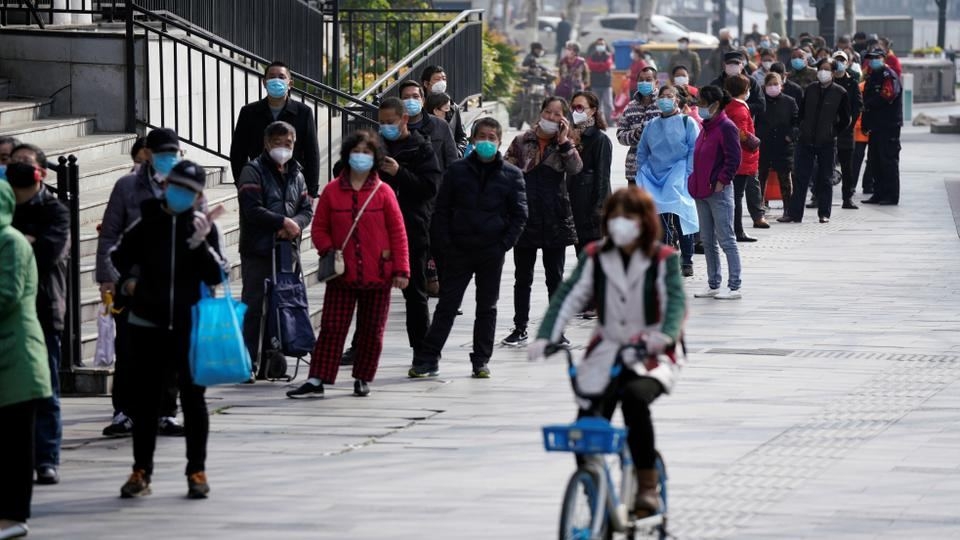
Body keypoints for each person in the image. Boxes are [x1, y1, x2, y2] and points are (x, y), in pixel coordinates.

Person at [528, 186, 687, 518]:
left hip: (653, 351)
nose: (619, 224)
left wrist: (665, 336)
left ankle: (646, 485)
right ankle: (593, 490)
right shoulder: (595, 255)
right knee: (584, 428)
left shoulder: (663, 259)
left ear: (643, 222)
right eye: (614, 217)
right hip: (608, 348)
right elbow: (568, 295)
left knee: (633, 399)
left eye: (627, 218)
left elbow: (674, 306)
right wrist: (546, 336)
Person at [110, 160, 228, 499]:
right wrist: (131, 282)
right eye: (177, 187)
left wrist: (201, 244)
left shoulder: (202, 226)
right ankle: (141, 471)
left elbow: (218, 275)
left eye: (190, 192)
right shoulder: (148, 221)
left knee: (194, 400)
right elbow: (119, 255)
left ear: (198, 195)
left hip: (191, 327)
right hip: (148, 323)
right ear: (166, 186)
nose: (181, 195)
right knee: (145, 402)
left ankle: (197, 470)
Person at [287, 131, 409, 398]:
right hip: (341, 274)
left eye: (367, 152)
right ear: (347, 155)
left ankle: (363, 377)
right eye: (356, 152)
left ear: (375, 157)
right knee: (332, 327)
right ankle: (317, 379)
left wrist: (401, 270)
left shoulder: (384, 192)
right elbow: (319, 228)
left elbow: (398, 232)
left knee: (372, 331)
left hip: (378, 274)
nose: (361, 157)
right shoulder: (332, 191)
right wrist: (329, 250)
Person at [408, 118, 528, 378]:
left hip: (491, 251)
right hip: (459, 249)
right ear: (473, 140)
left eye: (492, 137)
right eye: (481, 136)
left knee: (487, 307)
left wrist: (503, 245)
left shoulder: (511, 175)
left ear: (499, 141)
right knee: (447, 306)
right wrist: (446, 244)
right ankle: (428, 359)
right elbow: (441, 210)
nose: (486, 141)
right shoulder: (457, 170)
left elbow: (519, 215)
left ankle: (480, 360)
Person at [97, 128, 188, 439]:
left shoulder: (186, 185)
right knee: (129, 348)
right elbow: (109, 234)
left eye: (173, 153)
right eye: (162, 152)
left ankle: (166, 412)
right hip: (131, 282)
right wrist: (108, 277)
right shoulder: (127, 187)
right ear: (147, 154)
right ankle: (125, 411)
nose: (168, 159)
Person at [7, 148, 68, 487]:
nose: (14, 170)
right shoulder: (5, 209)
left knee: (46, 388)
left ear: (42, 172)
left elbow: (48, 252)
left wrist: (17, 243)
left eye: (23, 165)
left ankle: (46, 458)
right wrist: (26, 241)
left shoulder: (54, 209)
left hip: (43, 309)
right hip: (10, 311)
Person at [501, 97, 582, 347]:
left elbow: (576, 168)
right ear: (540, 113)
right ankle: (520, 327)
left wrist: (564, 141)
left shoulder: (565, 144)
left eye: (557, 114)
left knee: (554, 276)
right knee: (522, 276)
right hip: (525, 215)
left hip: (555, 215)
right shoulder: (522, 140)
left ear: (564, 119)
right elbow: (505, 167)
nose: (551, 117)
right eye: (547, 112)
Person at [236, 121, 313, 378]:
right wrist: (281, 222)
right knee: (254, 306)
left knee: (281, 305)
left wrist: (295, 226)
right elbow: (252, 208)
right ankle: (247, 361)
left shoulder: (297, 173)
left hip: (285, 249)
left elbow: (306, 209)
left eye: (288, 143)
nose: (283, 148)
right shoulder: (253, 170)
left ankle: (273, 361)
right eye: (278, 143)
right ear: (267, 144)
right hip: (258, 249)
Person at [0, 179, 51, 540]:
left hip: (16, 356)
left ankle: (14, 516)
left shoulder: (12, 243)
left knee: (16, 443)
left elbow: (7, 295)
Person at [635, 85, 700, 277]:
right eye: (662, 96)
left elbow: (693, 149)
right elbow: (642, 151)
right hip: (654, 176)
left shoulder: (687, 122)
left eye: (669, 96)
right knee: (660, 221)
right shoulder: (652, 125)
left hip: (679, 173)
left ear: (677, 100)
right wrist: (642, 171)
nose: (665, 99)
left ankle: (686, 259)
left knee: (682, 218)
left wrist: (688, 172)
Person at [230, 61, 321, 197]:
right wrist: (242, 184)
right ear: (264, 82)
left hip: (293, 186)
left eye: (281, 77)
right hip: (258, 184)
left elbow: (311, 153)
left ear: (290, 83)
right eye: (271, 77)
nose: (276, 80)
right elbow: (238, 153)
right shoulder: (249, 112)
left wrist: (311, 191)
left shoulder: (303, 112)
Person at [688, 85, 743, 300]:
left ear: (715, 105)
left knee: (726, 238)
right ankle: (713, 283)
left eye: (702, 103)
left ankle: (734, 285)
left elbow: (733, 158)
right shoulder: (706, 126)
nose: (698, 107)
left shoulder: (726, 126)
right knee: (707, 240)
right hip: (701, 191)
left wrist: (722, 180)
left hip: (718, 192)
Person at [784, 59, 851, 223]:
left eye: (827, 70)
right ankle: (795, 214)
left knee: (825, 178)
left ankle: (824, 213)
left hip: (826, 142)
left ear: (834, 73)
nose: (823, 72)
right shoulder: (811, 89)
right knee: (800, 177)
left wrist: (832, 132)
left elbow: (845, 119)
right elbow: (801, 112)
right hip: (805, 140)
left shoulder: (840, 92)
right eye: (821, 69)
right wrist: (801, 128)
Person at [723, 75, 768, 242]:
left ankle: (734, 230)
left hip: (737, 158)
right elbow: (740, 133)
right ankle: (738, 231)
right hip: (742, 158)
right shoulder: (740, 109)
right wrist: (754, 141)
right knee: (737, 196)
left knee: (734, 195)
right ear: (744, 90)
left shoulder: (730, 106)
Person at [569, 91, 613, 254]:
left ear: (593, 110)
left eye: (580, 107)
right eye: (573, 107)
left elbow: (603, 177)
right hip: (576, 205)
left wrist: (599, 208)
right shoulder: (569, 136)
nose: (576, 112)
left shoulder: (599, 139)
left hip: (592, 209)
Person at [860, 47, 902, 206]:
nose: (873, 60)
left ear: (883, 58)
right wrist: (865, 122)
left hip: (888, 125)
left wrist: (868, 104)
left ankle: (891, 195)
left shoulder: (888, 75)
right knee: (874, 161)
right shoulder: (872, 76)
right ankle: (878, 193)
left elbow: (887, 95)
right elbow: (866, 103)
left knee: (888, 160)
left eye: (876, 57)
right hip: (875, 126)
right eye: (870, 58)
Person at [756, 73, 799, 220]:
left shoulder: (790, 101)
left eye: (776, 84)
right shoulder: (760, 102)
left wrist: (790, 136)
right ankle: (759, 210)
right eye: (770, 84)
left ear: (781, 85)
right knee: (761, 178)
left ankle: (788, 210)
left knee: (785, 179)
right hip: (764, 145)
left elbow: (797, 122)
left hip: (783, 146)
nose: (773, 87)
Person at [399, 81, 458, 171]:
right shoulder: (394, 129)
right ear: (400, 101)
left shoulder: (440, 125)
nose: (411, 101)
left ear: (422, 100)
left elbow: (452, 159)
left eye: (415, 96)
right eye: (406, 97)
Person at [617, 66, 661, 186]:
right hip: (634, 170)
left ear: (656, 83)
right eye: (641, 80)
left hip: (659, 171)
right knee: (634, 204)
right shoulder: (630, 107)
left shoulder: (663, 105)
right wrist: (637, 133)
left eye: (648, 79)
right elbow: (620, 136)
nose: (644, 83)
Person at [830, 51, 863, 210]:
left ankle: (847, 197)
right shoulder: (827, 81)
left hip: (846, 130)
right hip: (826, 130)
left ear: (847, 62)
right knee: (823, 165)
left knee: (847, 166)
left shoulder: (852, 83)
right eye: (837, 60)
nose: (839, 63)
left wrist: (848, 123)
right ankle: (817, 195)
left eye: (842, 60)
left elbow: (857, 106)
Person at [421, 65, 468, 155]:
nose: (442, 82)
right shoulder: (420, 108)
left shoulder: (453, 108)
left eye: (444, 79)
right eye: (437, 79)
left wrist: (457, 153)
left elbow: (461, 136)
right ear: (426, 84)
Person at [708, 51, 765, 119]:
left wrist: (740, 107)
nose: (733, 66)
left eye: (736, 63)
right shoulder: (716, 84)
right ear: (724, 65)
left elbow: (761, 105)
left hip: (745, 122)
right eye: (730, 63)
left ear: (742, 65)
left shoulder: (751, 82)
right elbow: (709, 105)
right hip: (721, 124)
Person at [852, 79, 874, 195]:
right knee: (857, 158)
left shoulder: (879, 87)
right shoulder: (861, 87)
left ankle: (868, 184)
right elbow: (858, 108)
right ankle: (852, 185)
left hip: (873, 128)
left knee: (872, 159)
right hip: (861, 129)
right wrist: (860, 125)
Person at [586, 38, 615, 123]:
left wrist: (597, 67)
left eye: (602, 44)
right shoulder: (592, 56)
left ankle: (609, 121)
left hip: (606, 84)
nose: (600, 46)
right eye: (599, 44)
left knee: (608, 104)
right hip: (595, 83)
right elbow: (590, 65)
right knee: (596, 104)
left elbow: (608, 65)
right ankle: (598, 122)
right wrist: (601, 66)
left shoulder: (608, 55)